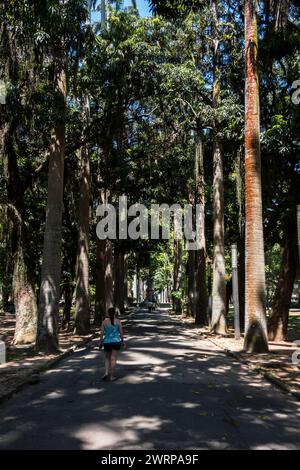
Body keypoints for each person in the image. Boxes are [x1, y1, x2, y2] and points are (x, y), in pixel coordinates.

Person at [100, 307, 125, 381]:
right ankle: (112, 376)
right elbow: (121, 332)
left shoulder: (104, 322)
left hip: (107, 342)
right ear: (115, 313)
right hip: (116, 341)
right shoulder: (118, 321)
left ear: (108, 313)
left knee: (107, 358)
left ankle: (106, 372)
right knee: (113, 358)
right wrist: (122, 341)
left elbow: (101, 333)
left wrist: (101, 342)